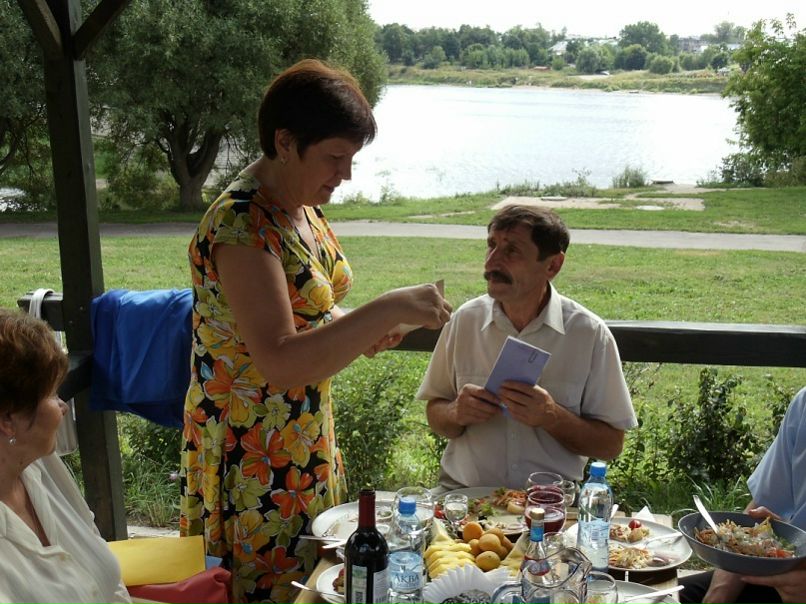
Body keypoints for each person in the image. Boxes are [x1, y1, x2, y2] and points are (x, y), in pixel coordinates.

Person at [179, 58, 451, 604]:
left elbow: (307, 312)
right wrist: (387, 308)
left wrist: (355, 330)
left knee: (312, 577)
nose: (345, 174)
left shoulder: (298, 205)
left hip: (303, 432)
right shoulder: (241, 223)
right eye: (334, 157)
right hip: (253, 448)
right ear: (285, 142)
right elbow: (280, 360)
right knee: (270, 590)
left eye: (352, 158)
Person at [417, 205, 637, 491]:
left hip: (549, 505)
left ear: (553, 266)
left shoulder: (589, 334)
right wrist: (455, 412)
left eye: (512, 250)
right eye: (492, 245)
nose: (492, 262)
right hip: (465, 498)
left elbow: (611, 445)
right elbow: (435, 412)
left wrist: (552, 416)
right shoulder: (464, 321)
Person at [0, 309, 130, 603]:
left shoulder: (41, 464)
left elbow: (108, 577)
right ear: (8, 419)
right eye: (52, 394)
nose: (63, 407)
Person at [680, 386, 806, 604]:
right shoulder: (803, 404)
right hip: (783, 574)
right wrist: (717, 595)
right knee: (658, 595)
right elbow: (761, 512)